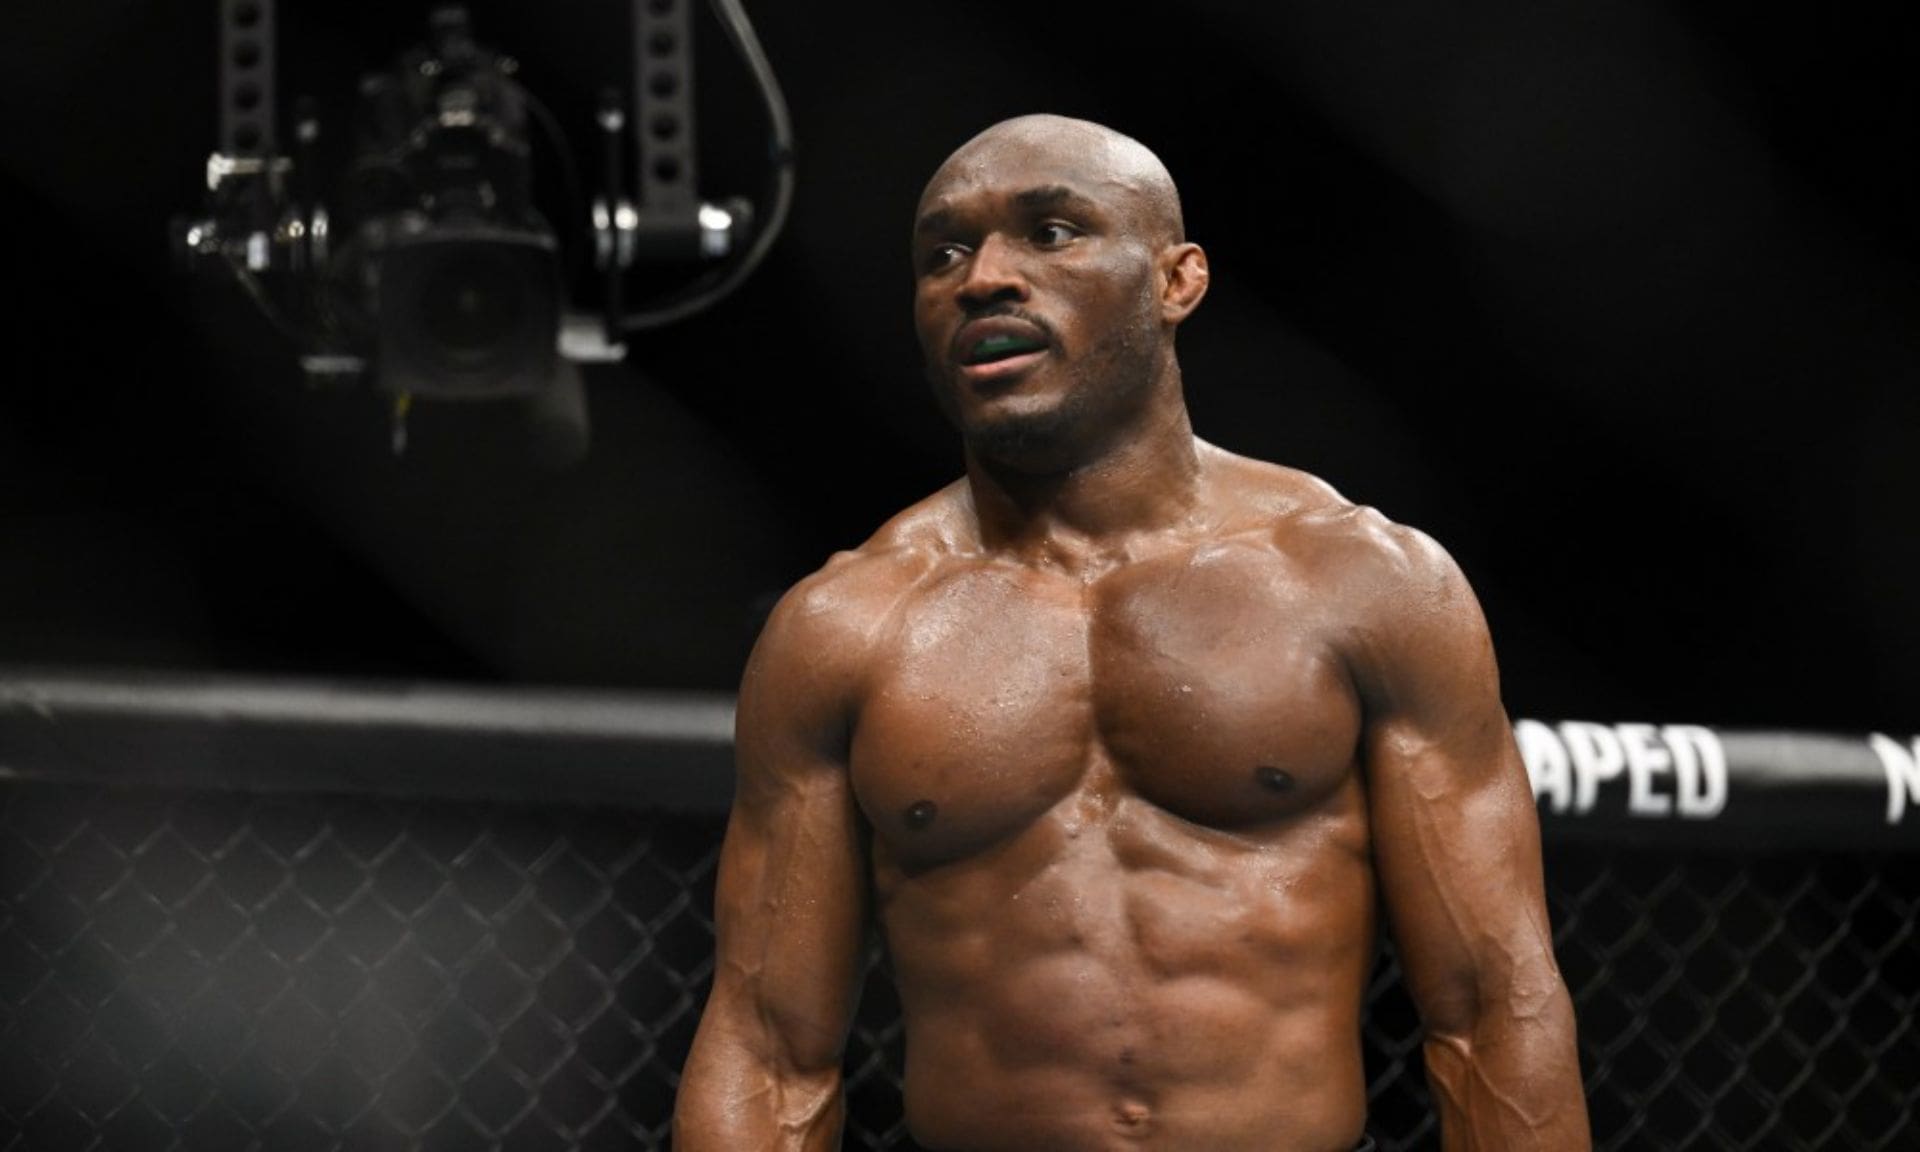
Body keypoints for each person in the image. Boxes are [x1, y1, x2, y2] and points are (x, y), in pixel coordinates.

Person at [673, 113, 1591, 1151]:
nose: (984, 279)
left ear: (1176, 281)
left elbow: (1491, 1008)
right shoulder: (847, 628)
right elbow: (769, 1051)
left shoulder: (1362, 585)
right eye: (945, 254)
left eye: (1052, 232)